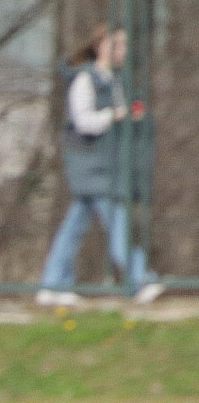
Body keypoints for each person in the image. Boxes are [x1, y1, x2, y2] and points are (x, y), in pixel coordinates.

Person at [36, 26, 163, 307]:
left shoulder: (118, 80)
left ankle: (52, 285)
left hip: (109, 165)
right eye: (117, 45)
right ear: (101, 46)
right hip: (91, 164)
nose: (123, 51)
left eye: (125, 45)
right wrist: (113, 116)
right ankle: (140, 278)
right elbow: (83, 122)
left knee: (74, 226)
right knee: (117, 222)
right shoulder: (85, 79)